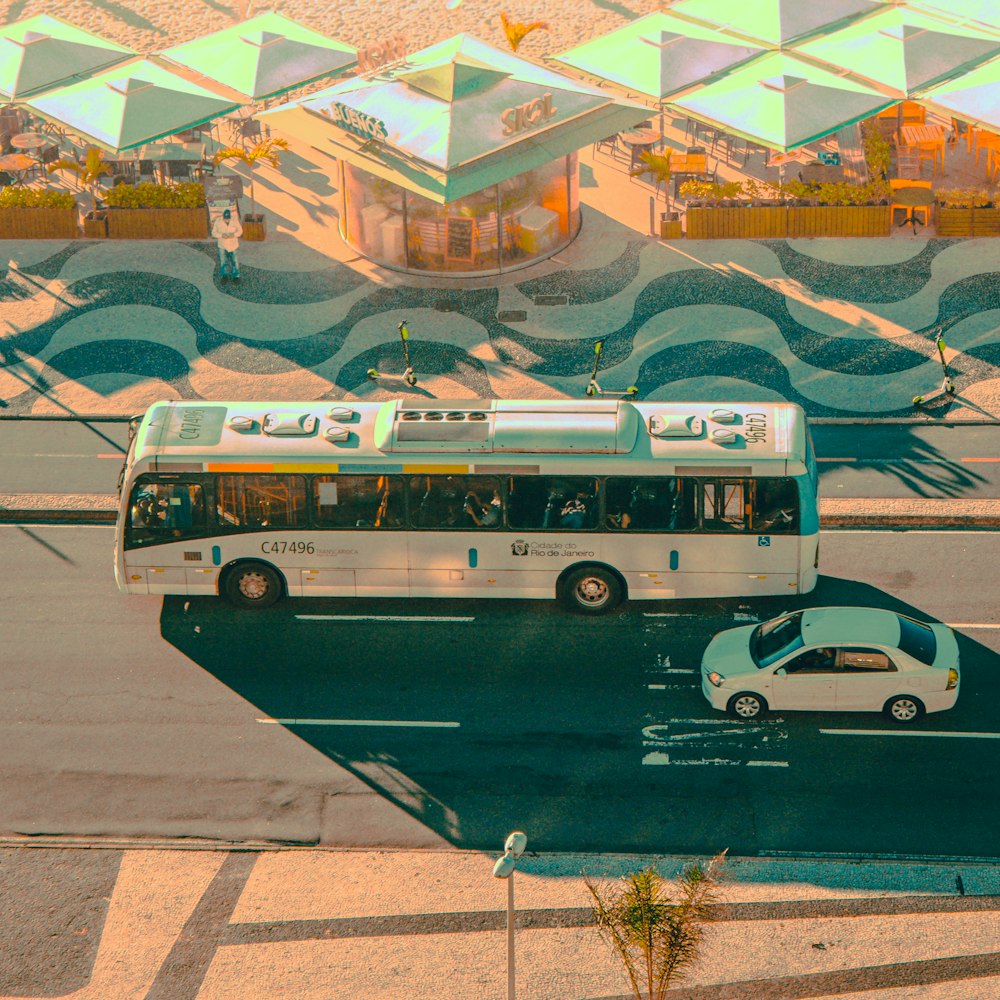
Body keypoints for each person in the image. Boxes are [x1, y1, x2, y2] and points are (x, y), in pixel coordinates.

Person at [211, 207, 243, 279]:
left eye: (228, 218)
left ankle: (236, 276)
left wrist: (234, 234)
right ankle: (224, 275)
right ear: (223, 216)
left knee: (235, 262)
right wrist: (221, 235)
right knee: (223, 262)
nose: (227, 220)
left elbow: (240, 231)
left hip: (233, 245)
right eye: (225, 218)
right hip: (222, 246)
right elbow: (213, 233)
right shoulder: (218, 221)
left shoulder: (235, 221)